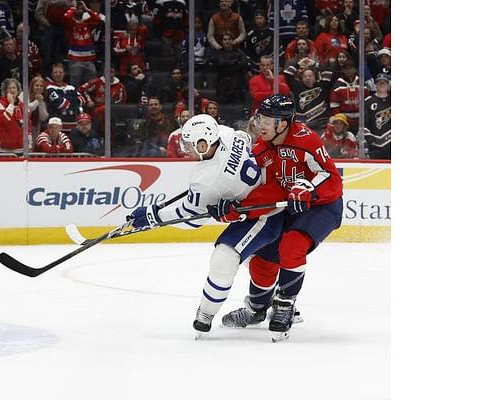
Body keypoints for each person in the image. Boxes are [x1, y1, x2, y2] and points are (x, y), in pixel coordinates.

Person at [124, 114, 286, 336]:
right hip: (263, 200)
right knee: (257, 261)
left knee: (225, 257)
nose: (187, 150)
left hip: (265, 213)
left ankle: (206, 314)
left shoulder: (205, 179)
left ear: (204, 143)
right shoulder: (228, 134)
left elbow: (192, 218)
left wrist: (153, 216)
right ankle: (277, 299)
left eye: (190, 144)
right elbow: (246, 142)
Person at [221, 94, 343, 342]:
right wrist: (237, 206)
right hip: (289, 206)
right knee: (262, 260)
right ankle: (256, 309)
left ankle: (285, 304)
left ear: (283, 123)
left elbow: (331, 178)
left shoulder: (305, 139)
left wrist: (308, 188)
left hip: (321, 206)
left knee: (292, 245)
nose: (260, 124)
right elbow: (261, 188)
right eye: (260, 118)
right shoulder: (263, 146)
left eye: (266, 120)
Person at [63, 1, 104, 89]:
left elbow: (97, 19)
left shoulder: (87, 23)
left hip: (89, 59)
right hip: (75, 59)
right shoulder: (71, 24)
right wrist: (73, 7)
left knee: (91, 85)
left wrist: (86, 9)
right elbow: (66, 17)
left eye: (81, 9)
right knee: (75, 86)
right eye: (78, 9)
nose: (79, 9)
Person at [283, 65, 332, 133]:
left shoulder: (321, 86)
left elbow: (328, 73)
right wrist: (299, 63)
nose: (307, 78)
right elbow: (287, 73)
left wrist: (315, 64)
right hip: (303, 124)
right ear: (302, 79)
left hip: (320, 123)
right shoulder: (297, 87)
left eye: (310, 76)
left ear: (315, 78)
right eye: (305, 76)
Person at [329, 60, 370, 131]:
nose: (348, 70)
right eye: (346, 68)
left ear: (355, 69)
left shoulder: (362, 83)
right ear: (343, 70)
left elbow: (367, 102)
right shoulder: (337, 86)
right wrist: (342, 118)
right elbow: (334, 106)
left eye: (350, 68)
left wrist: (364, 118)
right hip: (344, 120)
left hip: (361, 120)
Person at [45, 62, 85, 133]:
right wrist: (73, 99)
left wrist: (64, 97)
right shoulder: (49, 88)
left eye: (60, 72)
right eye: (55, 72)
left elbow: (82, 100)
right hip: (57, 126)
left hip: (73, 124)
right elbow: (62, 104)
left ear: (64, 73)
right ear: (52, 74)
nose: (58, 74)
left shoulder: (71, 87)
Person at [0, 78, 28, 152]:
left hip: (19, 148)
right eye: (9, 88)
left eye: (14, 88)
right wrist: (11, 104)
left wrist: (28, 142)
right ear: (5, 90)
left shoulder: (22, 105)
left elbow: (27, 124)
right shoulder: (0, 104)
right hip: (3, 148)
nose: (12, 90)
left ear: (18, 90)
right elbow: (3, 120)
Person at [363, 73, 391, 160]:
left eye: (384, 83)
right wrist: (370, 139)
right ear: (375, 85)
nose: (382, 85)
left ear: (388, 84)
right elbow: (363, 124)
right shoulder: (368, 101)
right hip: (375, 145)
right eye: (380, 83)